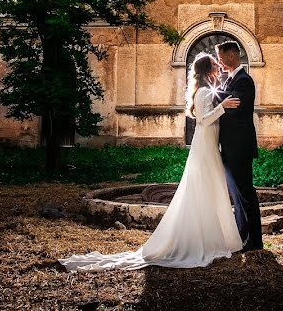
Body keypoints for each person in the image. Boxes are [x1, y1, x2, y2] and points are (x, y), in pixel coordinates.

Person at [57, 53, 243, 271]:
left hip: (211, 144)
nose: (217, 68)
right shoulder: (202, 92)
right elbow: (202, 120)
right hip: (204, 145)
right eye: (214, 65)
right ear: (206, 70)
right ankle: (201, 239)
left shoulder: (209, 90)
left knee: (212, 187)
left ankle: (215, 237)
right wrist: (224, 107)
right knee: (203, 187)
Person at [214, 40, 263, 251]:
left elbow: (234, 108)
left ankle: (255, 240)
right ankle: (242, 235)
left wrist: (211, 98)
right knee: (236, 195)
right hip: (228, 147)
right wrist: (221, 101)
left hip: (240, 148)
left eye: (220, 56)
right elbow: (225, 102)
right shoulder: (228, 82)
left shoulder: (245, 81)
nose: (219, 61)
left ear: (232, 56)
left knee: (246, 193)